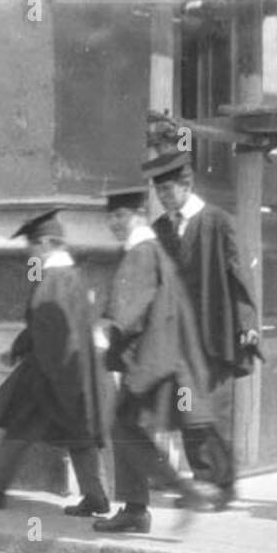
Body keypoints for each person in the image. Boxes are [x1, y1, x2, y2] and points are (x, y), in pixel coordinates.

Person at [92, 188, 223, 533]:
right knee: (127, 427)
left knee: (123, 427)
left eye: (121, 216)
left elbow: (129, 303)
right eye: (110, 217)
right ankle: (138, 508)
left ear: (138, 215)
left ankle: (169, 495)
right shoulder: (153, 249)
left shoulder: (141, 251)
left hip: (150, 360)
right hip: (158, 357)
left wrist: (105, 331)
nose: (114, 224)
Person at [0, 209, 110, 515]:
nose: (29, 253)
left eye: (31, 247)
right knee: (78, 433)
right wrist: (18, 349)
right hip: (70, 371)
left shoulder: (52, 280)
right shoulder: (73, 276)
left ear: (44, 244)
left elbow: (49, 331)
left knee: (20, 426)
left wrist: (44, 372)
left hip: (49, 372)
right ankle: (95, 497)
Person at [143, 151, 261, 509]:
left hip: (214, 334)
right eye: (159, 191)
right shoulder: (161, 229)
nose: (163, 197)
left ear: (187, 185)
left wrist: (248, 325)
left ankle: (219, 485)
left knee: (209, 412)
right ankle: (205, 482)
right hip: (178, 339)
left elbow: (239, 274)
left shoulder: (217, 222)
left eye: (168, 189)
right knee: (189, 410)